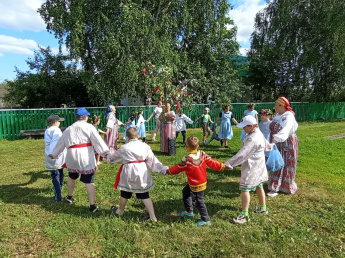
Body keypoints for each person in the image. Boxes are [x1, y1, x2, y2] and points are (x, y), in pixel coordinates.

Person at [51, 108, 109, 212]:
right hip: (85, 156)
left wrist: (54, 154)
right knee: (89, 181)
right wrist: (105, 152)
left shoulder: (69, 129)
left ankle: (69, 197)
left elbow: (61, 143)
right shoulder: (89, 127)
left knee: (72, 176)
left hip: (72, 156)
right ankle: (92, 206)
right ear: (86, 117)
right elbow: (97, 141)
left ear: (77, 117)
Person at [107, 127, 168, 222]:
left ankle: (120, 211)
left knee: (124, 193)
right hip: (141, 171)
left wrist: (109, 157)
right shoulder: (144, 146)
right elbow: (152, 160)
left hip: (129, 172)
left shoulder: (124, 148)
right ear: (138, 136)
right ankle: (153, 217)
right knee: (144, 194)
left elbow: (114, 158)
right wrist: (161, 169)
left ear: (127, 137)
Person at [224, 116, 273, 224]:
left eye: (244, 127)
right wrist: (270, 146)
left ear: (251, 126)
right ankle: (263, 207)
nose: (243, 129)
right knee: (259, 185)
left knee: (245, 188)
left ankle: (244, 215)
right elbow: (266, 145)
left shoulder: (252, 138)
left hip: (252, 166)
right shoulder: (258, 133)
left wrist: (228, 164)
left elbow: (243, 154)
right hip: (259, 165)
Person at [167, 136, 225, 226]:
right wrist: (220, 166)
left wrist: (169, 171)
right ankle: (189, 211)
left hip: (195, 184)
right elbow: (212, 162)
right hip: (199, 182)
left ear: (186, 146)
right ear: (198, 146)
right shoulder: (202, 154)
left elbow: (178, 167)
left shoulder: (187, 159)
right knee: (186, 192)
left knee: (199, 201)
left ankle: (205, 219)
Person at [267, 97, 299, 197]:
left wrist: (274, 140)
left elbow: (285, 130)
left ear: (282, 106)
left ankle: (282, 187)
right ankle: (275, 185)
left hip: (286, 143)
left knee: (284, 162)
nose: (275, 107)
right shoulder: (278, 115)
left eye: (276, 105)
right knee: (276, 162)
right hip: (277, 142)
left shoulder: (288, 116)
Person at [45, 115, 66, 201]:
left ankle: (58, 192)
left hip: (53, 155)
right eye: (59, 121)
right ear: (55, 122)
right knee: (58, 174)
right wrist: (52, 154)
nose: (60, 123)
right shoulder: (56, 130)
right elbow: (55, 142)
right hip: (55, 155)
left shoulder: (48, 130)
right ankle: (58, 195)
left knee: (57, 174)